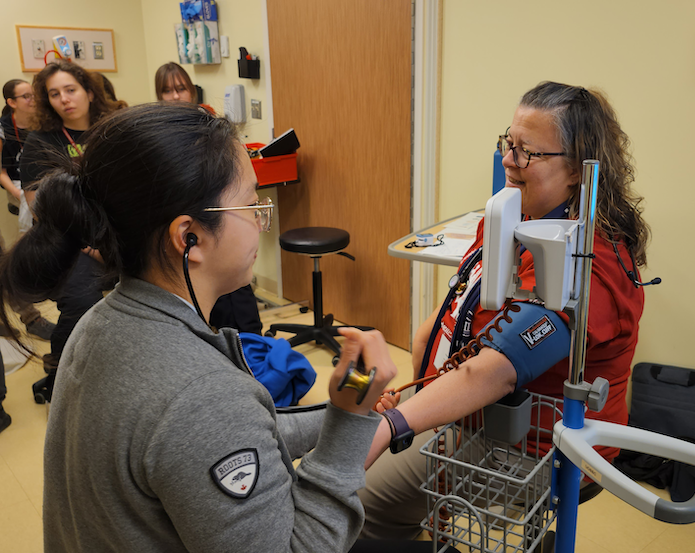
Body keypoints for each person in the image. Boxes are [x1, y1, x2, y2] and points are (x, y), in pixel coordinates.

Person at [0, 102, 399, 552]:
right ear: (189, 237)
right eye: (251, 204)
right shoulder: (200, 393)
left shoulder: (100, 322)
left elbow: (228, 437)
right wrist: (347, 424)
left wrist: (350, 413)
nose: (260, 223)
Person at [358, 81, 652, 540]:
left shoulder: (587, 262)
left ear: (576, 169)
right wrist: (414, 398)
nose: (509, 162)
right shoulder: (511, 219)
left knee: (356, 501)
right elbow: (442, 322)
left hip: (527, 445)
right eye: (508, 144)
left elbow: (501, 368)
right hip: (477, 414)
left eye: (527, 152)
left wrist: (398, 425)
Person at [18, 60, 119, 398]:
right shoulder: (39, 142)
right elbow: (40, 207)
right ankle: (64, 379)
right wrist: (91, 247)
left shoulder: (114, 129)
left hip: (114, 236)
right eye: (54, 94)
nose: (64, 99)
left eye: (71, 90)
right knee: (81, 301)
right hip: (66, 241)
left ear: (89, 92)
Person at [155, 61, 262, 334]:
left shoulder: (211, 129)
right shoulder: (158, 138)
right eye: (168, 91)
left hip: (216, 241)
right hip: (187, 250)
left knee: (241, 315)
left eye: (181, 88)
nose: (176, 96)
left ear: (192, 90)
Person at [0, 79, 56, 342]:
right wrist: (18, 193)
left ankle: (30, 316)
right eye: (26, 96)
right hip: (19, 187)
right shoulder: (4, 130)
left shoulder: (42, 123)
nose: (32, 100)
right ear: (11, 102)